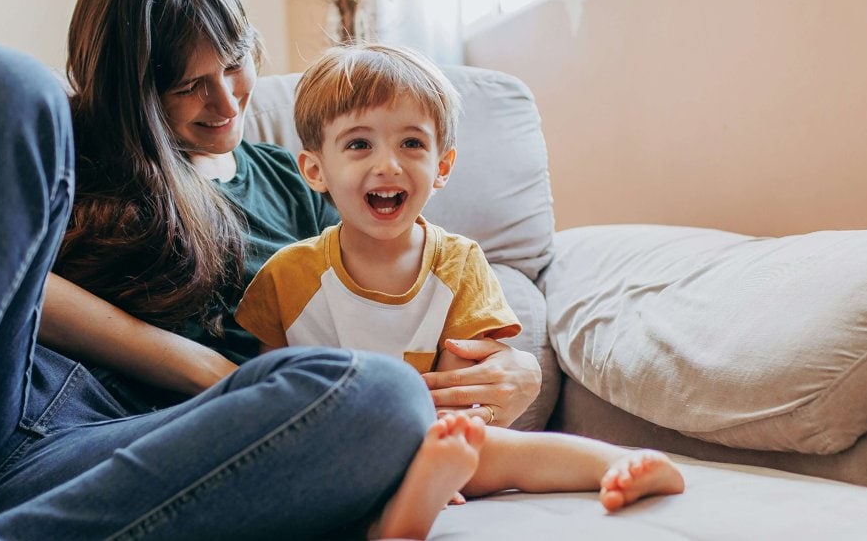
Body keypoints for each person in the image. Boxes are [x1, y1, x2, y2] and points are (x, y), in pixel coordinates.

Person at [0, 0, 541, 541]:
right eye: (185, 85)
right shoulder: (66, 145)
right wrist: (198, 364)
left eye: (234, 64)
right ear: (131, 89)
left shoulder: (303, 181)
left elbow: (412, 298)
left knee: (384, 397)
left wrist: (518, 371)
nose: (226, 102)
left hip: (151, 465)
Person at [236, 43, 686, 539]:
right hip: (333, 449)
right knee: (301, 471)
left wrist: (442, 442)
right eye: (359, 144)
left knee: (494, 449)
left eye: (411, 144)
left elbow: (464, 387)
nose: (388, 165)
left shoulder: (458, 262)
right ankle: (402, 507)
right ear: (315, 170)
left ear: (443, 166)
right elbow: (268, 387)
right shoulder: (287, 274)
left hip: (433, 437)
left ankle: (619, 462)